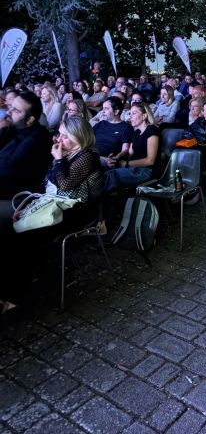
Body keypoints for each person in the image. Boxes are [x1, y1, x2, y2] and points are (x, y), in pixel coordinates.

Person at [0, 115, 103, 311]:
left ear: (79, 138)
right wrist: (27, 207)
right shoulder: (67, 153)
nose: (59, 139)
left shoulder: (87, 156)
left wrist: (58, 159)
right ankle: (13, 284)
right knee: (8, 231)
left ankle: (14, 295)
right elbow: (46, 186)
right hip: (55, 206)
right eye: (59, 134)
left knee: (23, 237)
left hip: (78, 211)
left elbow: (65, 184)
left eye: (65, 136)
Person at [0, 91, 52, 202]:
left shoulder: (37, 138)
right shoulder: (14, 126)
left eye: (16, 110)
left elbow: (6, 169)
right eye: (11, 107)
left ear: (30, 120)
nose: (8, 112)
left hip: (15, 196)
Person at [104, 102, 160, 192]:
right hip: (134, 168)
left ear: (144, 116)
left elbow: (150, 160)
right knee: (104, 169)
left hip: (147, 171)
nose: (130, 116)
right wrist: (116, 158)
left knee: (111, 175)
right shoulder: (136, 133)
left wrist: (126, 164)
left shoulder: (152, 130)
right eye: (130, 113)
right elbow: (129, 155)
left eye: (134, 113)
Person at [93, 98, 133, 167]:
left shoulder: (126, 128)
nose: (102, 112)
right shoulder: (100, 124)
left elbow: (125, 149)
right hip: (92, 155)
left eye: (106, 109)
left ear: (116, 111)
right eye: (103, 108)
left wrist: (116, 158)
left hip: (108, 160)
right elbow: (87, 140)